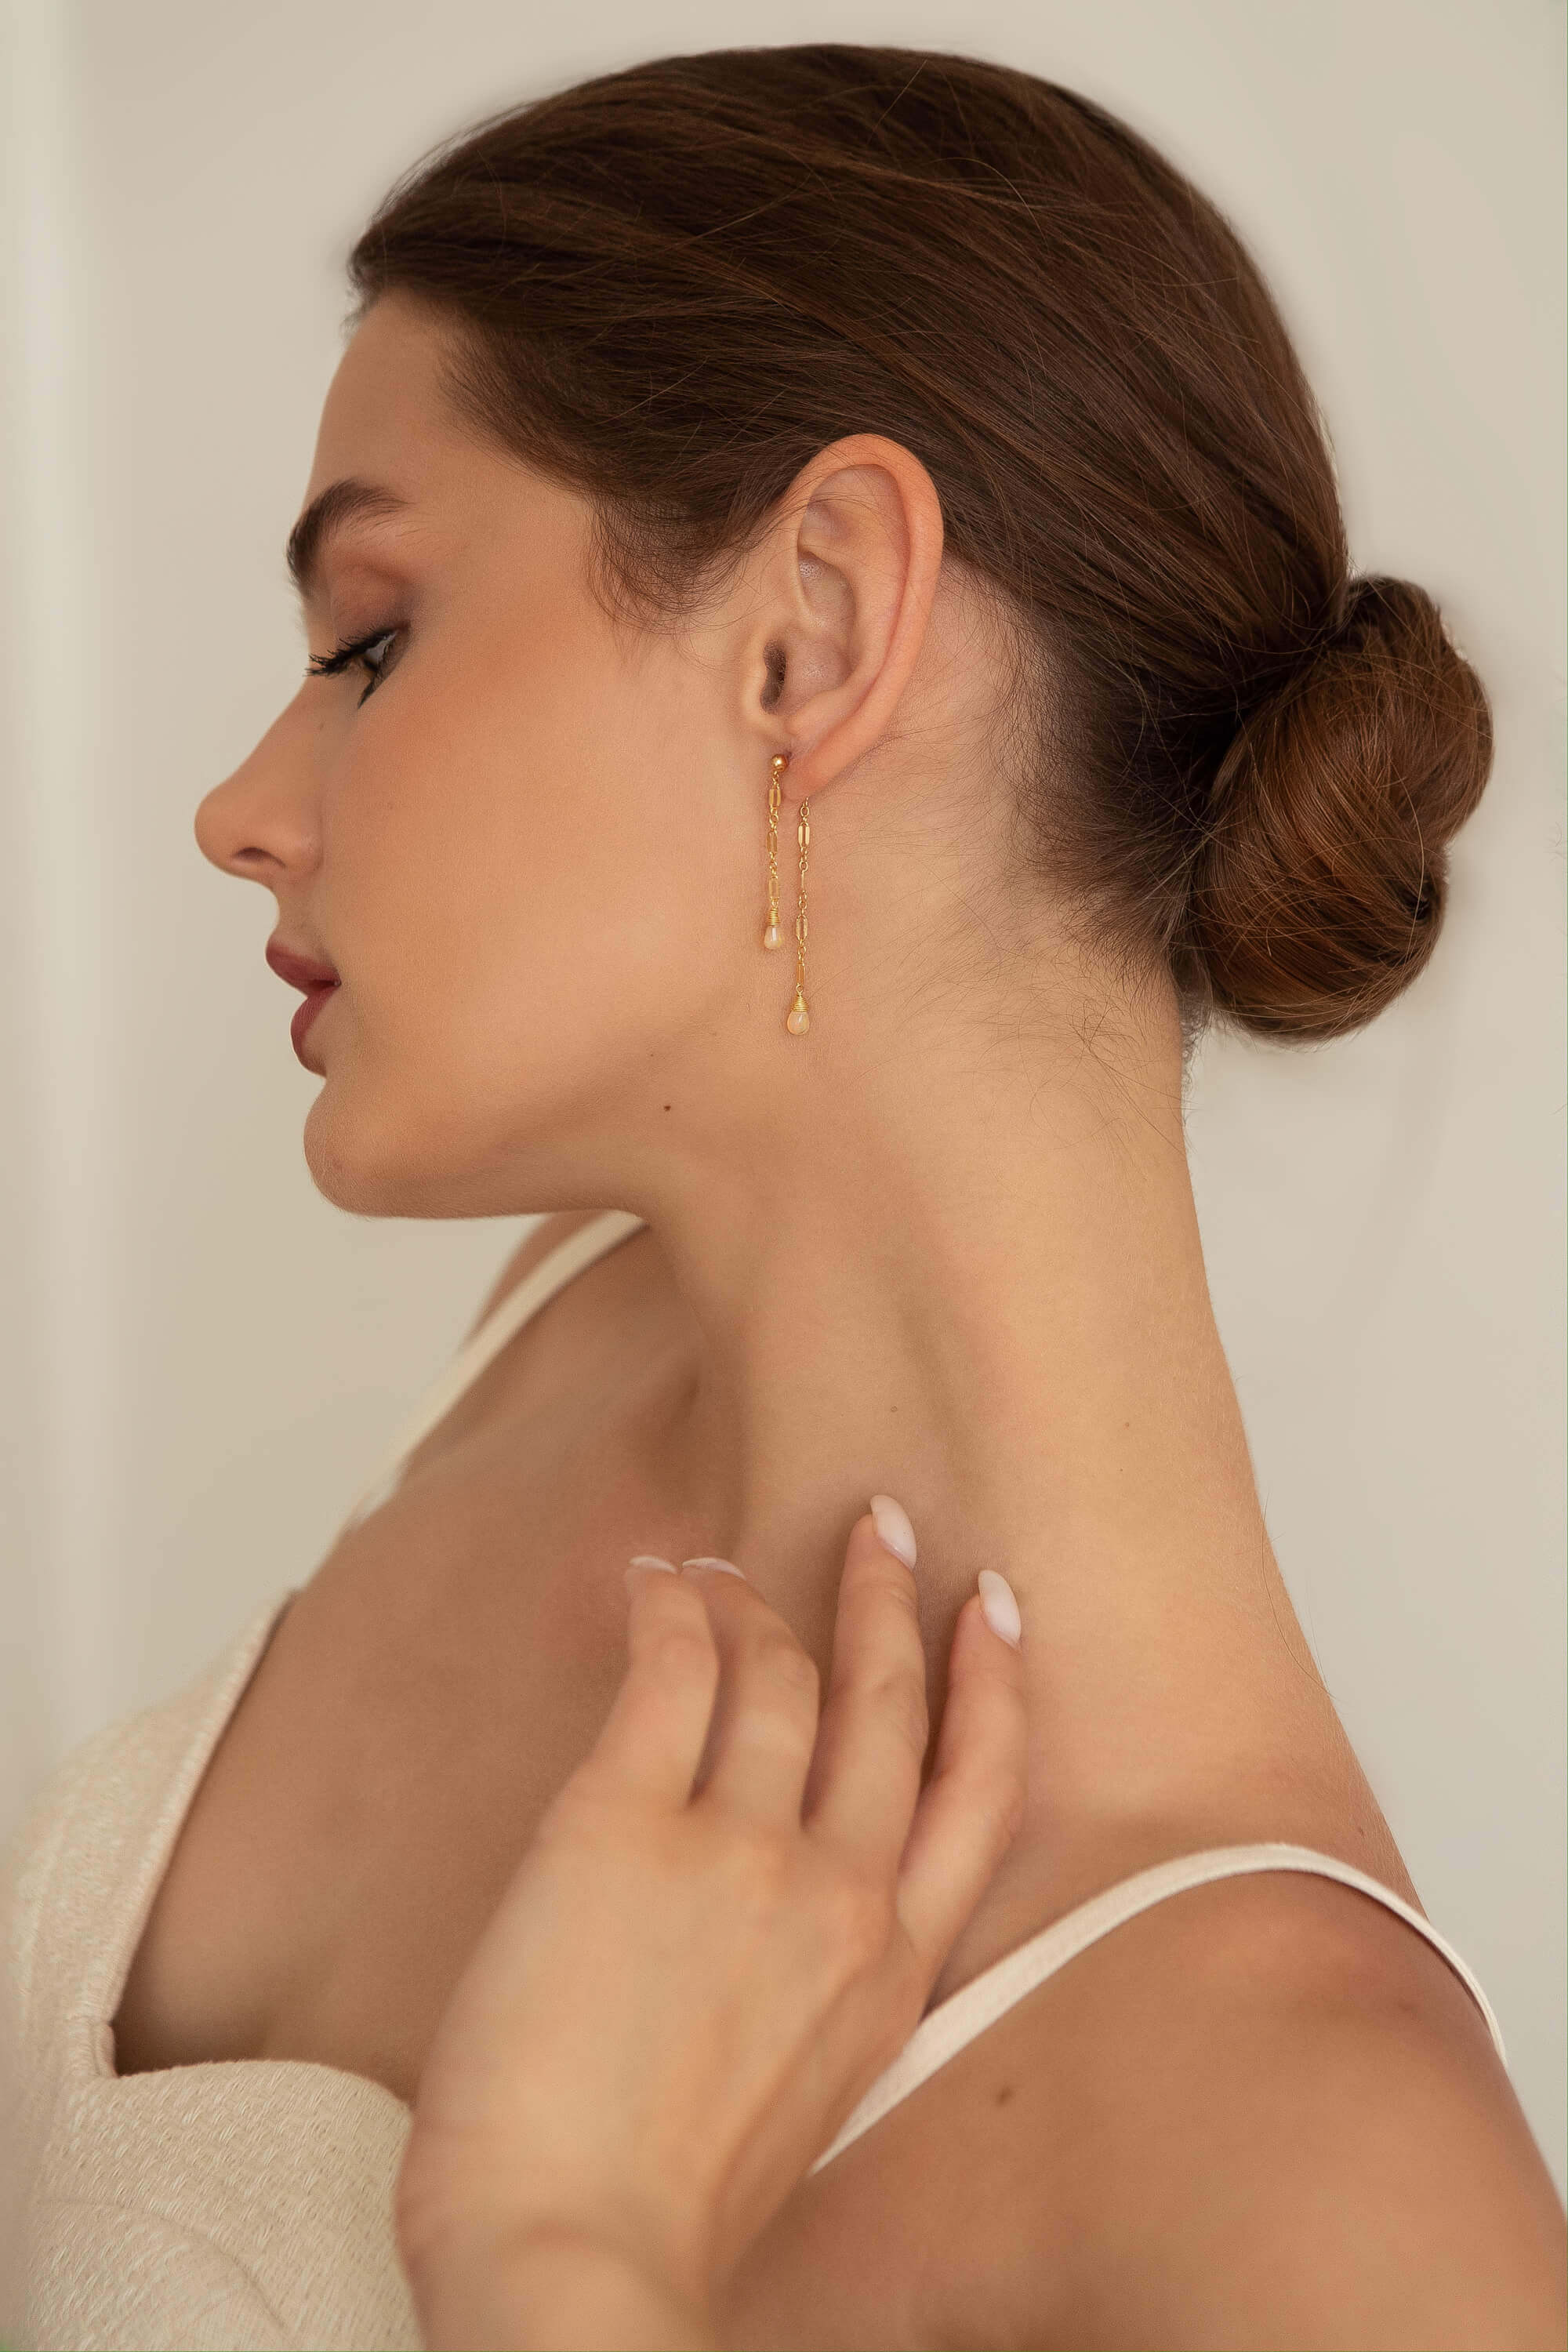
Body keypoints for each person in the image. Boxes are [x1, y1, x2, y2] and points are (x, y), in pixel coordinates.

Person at [2, 39, 1563, 2352]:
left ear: (816, 625)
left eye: (372, 640)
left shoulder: (1343, 2206)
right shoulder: (569, 1316)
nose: (243, 801)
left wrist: (560, 2263)